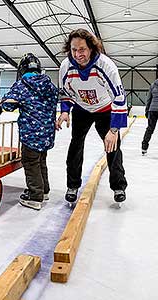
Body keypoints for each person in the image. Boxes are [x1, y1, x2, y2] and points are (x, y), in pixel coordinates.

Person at [56, 28, 128, 204]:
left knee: (113, 146)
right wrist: (65, 111)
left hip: (105, 109)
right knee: (75, 145)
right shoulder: (66, 66)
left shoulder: (106, 65)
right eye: (73, 49)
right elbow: (65, 93)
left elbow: (119, 97)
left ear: (91, 48)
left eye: (82, 49)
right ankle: (72, 186)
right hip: (82, 109)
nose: (77, 54)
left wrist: (114, 129)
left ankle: (118, 186)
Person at [1, 53, 58, 210]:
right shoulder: (50, 85)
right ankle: (44, 190)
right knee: (41, 161)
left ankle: (35, 196)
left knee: (31, 162)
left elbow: (8, 105)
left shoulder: (22, 85)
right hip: (47, 133)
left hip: (31, 134)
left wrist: (6, 100)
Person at [141, 78, 158, 155]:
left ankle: (144, 147)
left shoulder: (153, 85)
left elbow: (149, 99)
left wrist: (147, 110)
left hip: (152, 110)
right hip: (153, 109)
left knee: (150, 129)